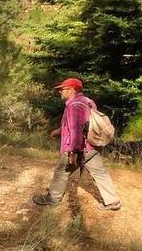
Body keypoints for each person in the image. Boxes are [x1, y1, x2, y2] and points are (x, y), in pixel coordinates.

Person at [32, 77, 121, 210]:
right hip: (93, 146)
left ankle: (53, 198)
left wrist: (74, 152)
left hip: (79, 148)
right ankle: (112, 201)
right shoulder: (88, 102)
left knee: (61, 171)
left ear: (71, 90)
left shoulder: (74, 106)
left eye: (62, 89)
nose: (60, 92)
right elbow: (84, 124)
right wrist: (58, 131)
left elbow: (76, 131)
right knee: (99, 173)